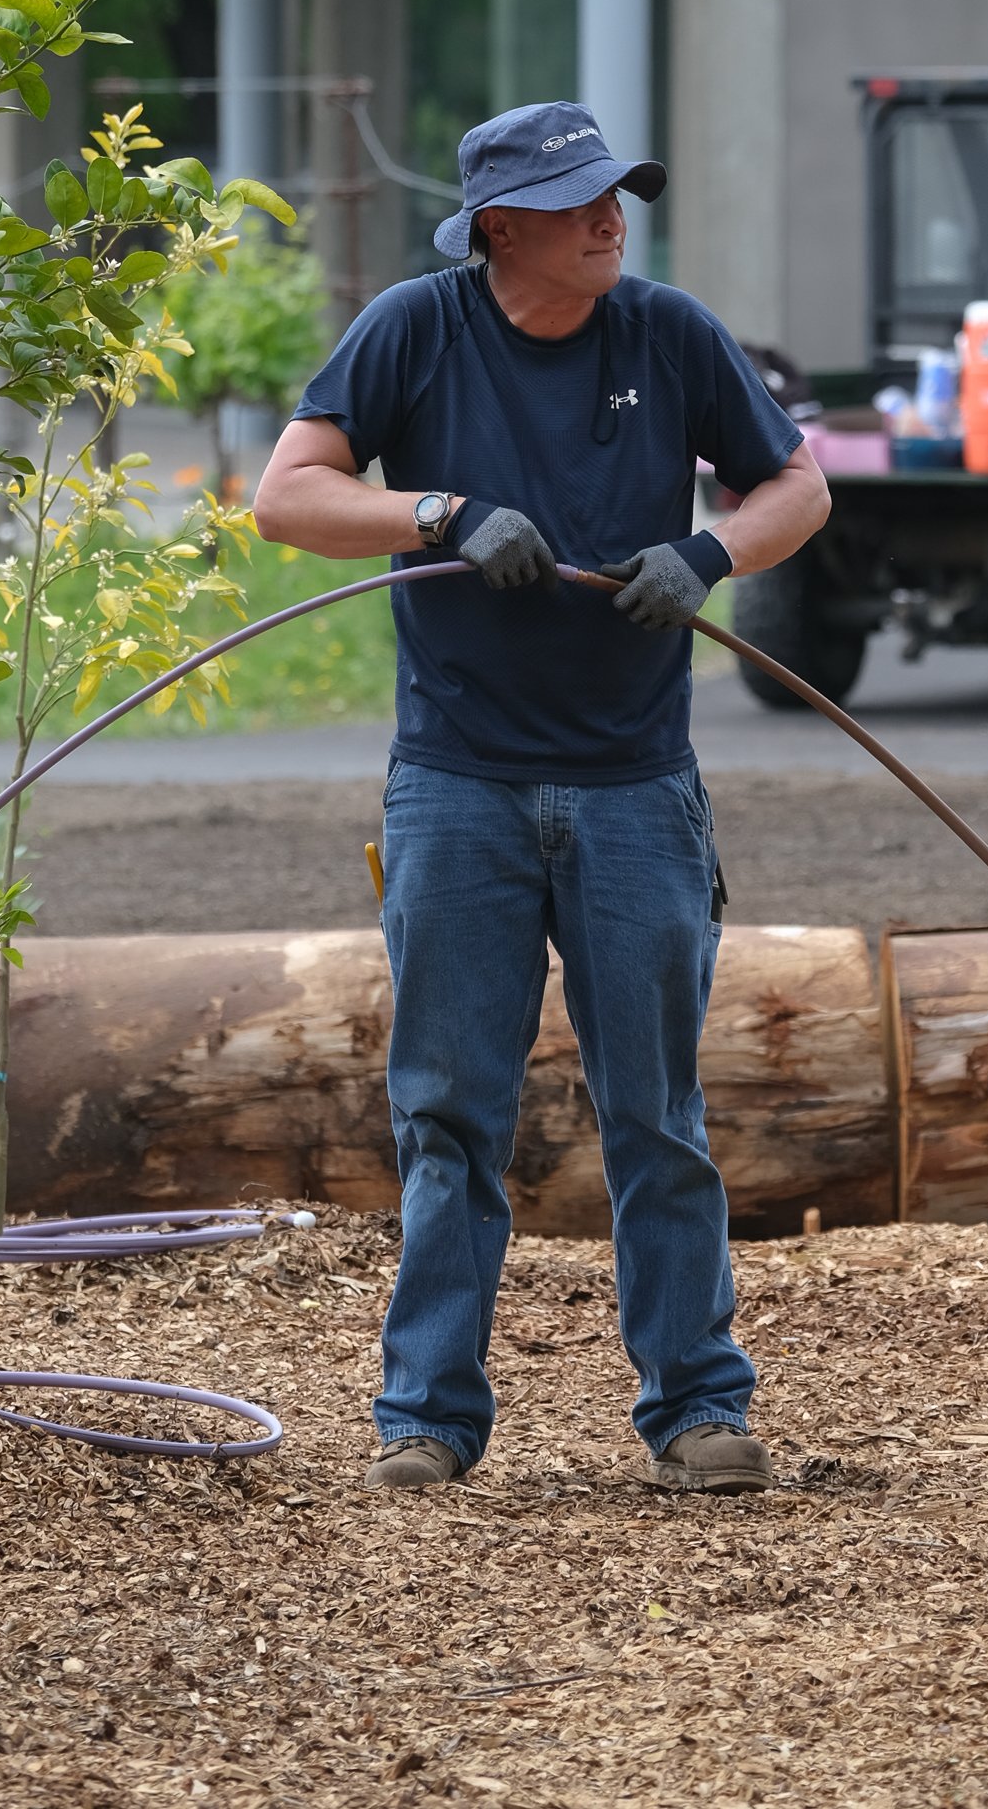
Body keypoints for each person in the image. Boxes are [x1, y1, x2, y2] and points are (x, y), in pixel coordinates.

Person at [253, 100, 831, 1493]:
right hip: (458, 787)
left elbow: (798, 486)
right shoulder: (416, 327)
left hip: (639, 789)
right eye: (581, 203)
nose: (612, 220)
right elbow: (286, 496)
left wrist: (706, 553)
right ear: (499, 226)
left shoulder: (669, 333)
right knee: (450, 1114)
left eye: (618, 195)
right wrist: (437, 516)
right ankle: (427, 1422)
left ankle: (698, 1407)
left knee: (659, 1113)